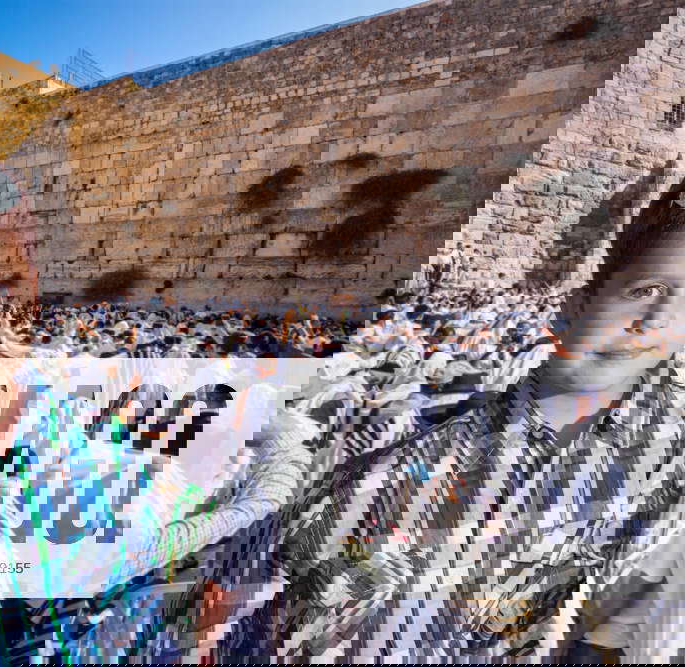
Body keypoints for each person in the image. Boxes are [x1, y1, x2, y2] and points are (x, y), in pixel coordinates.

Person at [258, 172, 685, 662]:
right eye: (647, 290)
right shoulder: (392, 424)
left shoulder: (665, 485)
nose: (653, 324)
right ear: (585, 295)